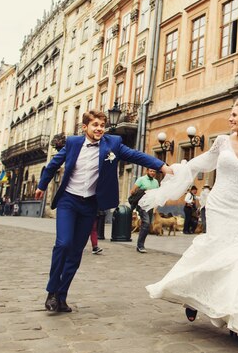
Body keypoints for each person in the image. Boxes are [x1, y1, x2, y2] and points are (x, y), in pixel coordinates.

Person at [140, 98, 238, 342]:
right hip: (220, 205)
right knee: (214, 254)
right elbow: (201, 163)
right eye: (230, 115)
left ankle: (237, 317)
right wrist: (177, 170)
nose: (230, 119)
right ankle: (193, 295)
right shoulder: (221, 142)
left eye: (234, 115)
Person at [34, 110, 172, 314]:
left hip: (89, 204)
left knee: (76, 252)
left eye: (101, 125)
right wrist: (42, 185)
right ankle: (52, 291)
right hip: (68, 201)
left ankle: (61, 297)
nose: (99, 128)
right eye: (94, 125)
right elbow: (53, 164)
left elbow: (135, 155)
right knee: (63, 244)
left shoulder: (112, 144)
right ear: (85, 127)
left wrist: (161, 166)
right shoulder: (72, 143)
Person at [130, 168, 160, 253]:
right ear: (147, 171)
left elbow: (157, 194)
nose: (152, 172)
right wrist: (140, 192)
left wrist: (155, 207)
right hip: (142, 205)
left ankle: (140, 244)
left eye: (154, 171)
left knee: (146, 225)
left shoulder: (156, 182)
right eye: (151, 171)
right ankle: (140, 246)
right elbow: (132, 191)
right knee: (146, 223)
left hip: (150, 206)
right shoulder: (141, 179)